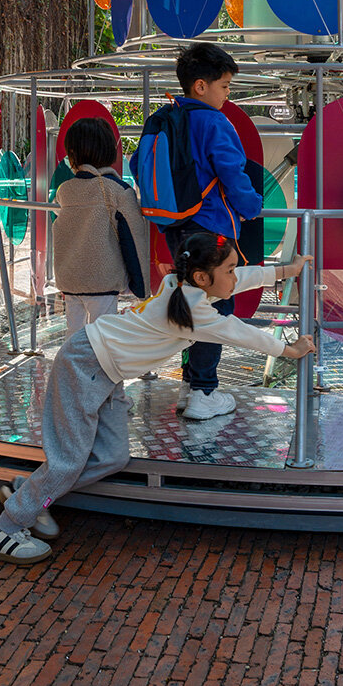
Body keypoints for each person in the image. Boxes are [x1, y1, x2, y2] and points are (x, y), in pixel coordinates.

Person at [0, 232, 314, 565]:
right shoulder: (192, 310)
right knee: (68, 460)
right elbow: (242, 333)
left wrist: (286, 270)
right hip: (84, 365)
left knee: (111, 458)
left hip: (106, 372)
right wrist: (289, 349)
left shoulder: (181, 285)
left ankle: (29, 493)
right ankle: (4, 529)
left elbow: (242, 279)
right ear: (202, 277)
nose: (234, 276)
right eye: (229, 270)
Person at [131, 41, 261, 422]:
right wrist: (253, 207)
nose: (227, 94)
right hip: (213, 229)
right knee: (215, 308)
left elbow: (138, 164)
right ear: (201, 86)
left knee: (191, 303)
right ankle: (205, 392)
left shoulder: (166, 119)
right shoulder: (214, 122)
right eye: (224, 86)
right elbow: (233, 174)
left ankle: (189, 385)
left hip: (176, 228)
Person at [53, 117, 149, 335]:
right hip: (102, 281)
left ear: (72, 154)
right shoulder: (119, 191)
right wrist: (141, 286)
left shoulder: (64, 190)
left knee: (74, 335)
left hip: (69, 279)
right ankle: (97, 360)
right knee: (102, 335)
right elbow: (134, 239)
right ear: (110, 151)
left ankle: (72, 358)